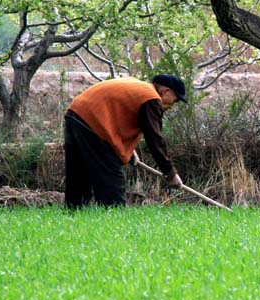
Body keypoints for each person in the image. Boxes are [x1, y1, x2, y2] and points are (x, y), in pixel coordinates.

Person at [63, 73, 188, 208]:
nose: (173, 106)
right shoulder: (151, 98)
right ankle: (113, 215)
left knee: (78, 175)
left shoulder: (139, 89)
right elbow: (154, 140)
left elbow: (116, 117)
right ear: (166, 91)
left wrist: (129, 150)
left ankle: (74, 212)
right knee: (111, 180)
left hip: (75, 114)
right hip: (92, 122)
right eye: (175, 100)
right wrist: (170, 174)